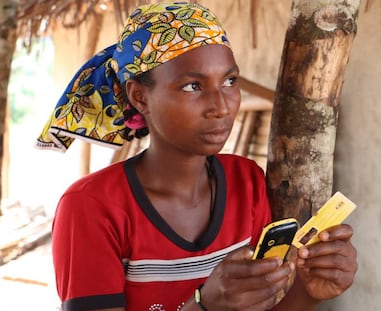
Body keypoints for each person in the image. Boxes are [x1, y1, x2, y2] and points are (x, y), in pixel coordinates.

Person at [36, 2, 358, 311]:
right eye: (193, 86)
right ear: (139, 96)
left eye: (230, 81)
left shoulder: (245, 183)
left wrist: (307, 293)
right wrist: (204, 305)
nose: (221, 106)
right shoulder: (92, 207)